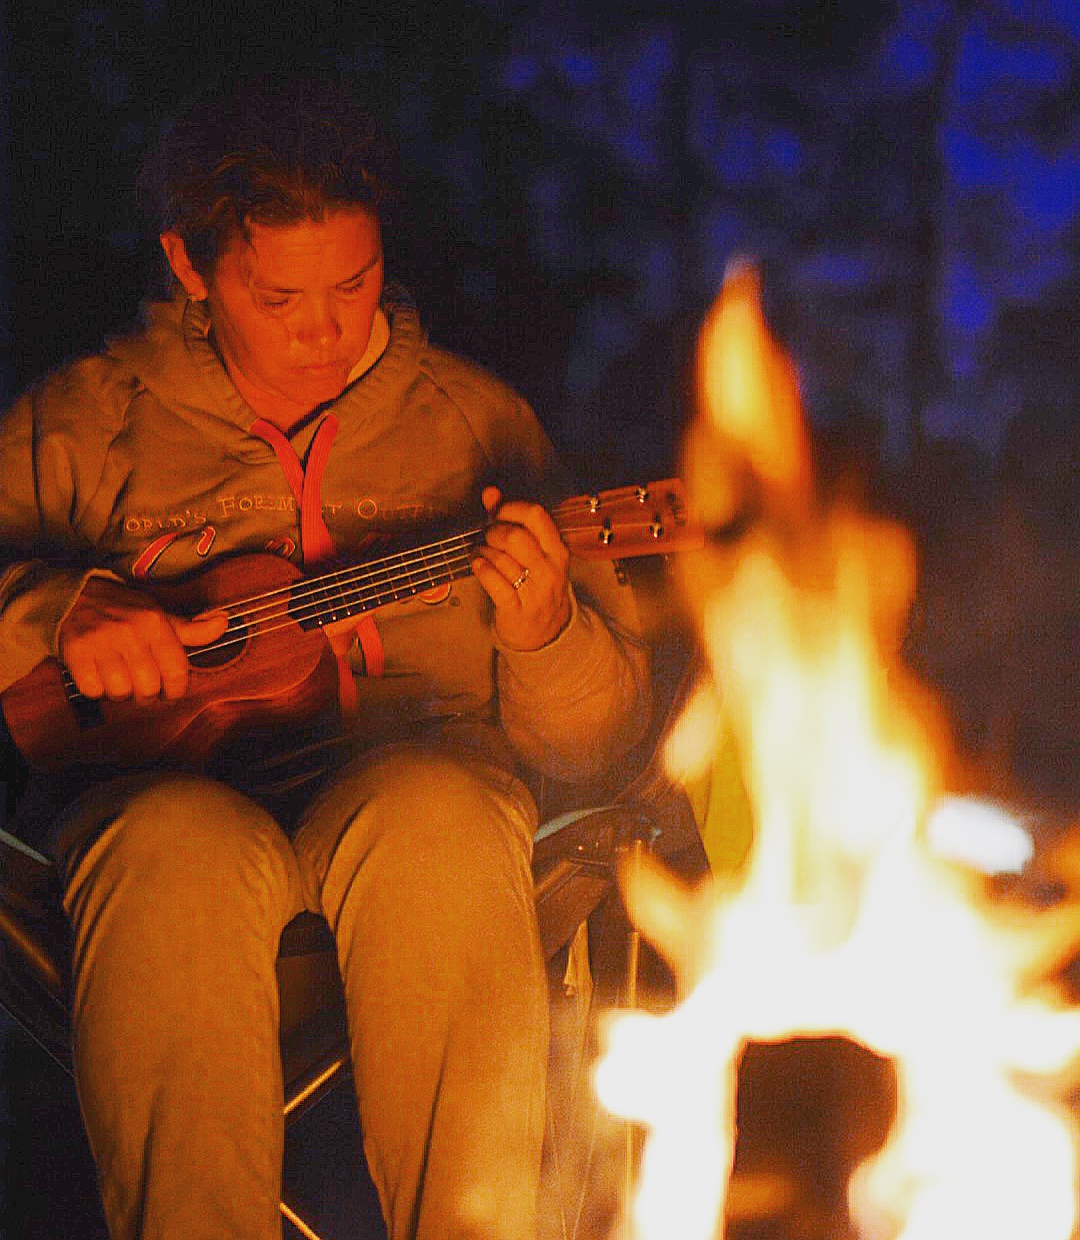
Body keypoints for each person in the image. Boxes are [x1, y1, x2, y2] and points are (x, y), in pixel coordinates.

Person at [0, 77, 650, 1240]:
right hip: (164, 815)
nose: (326, 329)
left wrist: (547, 629)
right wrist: (57, 613)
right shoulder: (85, 425)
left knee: (438, 812)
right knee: (173, 846)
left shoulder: (471, 423)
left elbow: (598, 740)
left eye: (353, 285)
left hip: (417, 821)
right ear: (192, 269)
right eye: (279, 295)